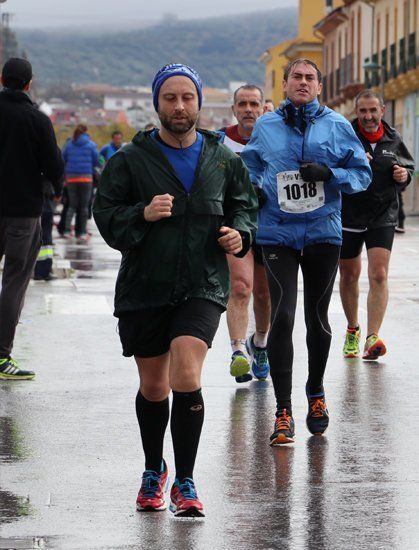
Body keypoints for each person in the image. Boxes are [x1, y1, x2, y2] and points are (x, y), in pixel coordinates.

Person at [94, 63, 258, 517]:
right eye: (170, 98)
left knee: (187, 371)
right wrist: (141, 215)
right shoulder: (129, 159)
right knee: (153, 386)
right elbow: (105, 215)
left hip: (201, 285)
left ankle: (185, 481)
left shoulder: (223, 160)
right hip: (145, 286)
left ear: (200, 102)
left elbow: (245, 208)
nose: (180, 106)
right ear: (157, 103)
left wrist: (239, 234)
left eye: (188, 97)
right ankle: (154, 469)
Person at [241, 59, 371, 443]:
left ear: (319, 86)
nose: (302, 82)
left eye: (309, 78)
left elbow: (362, 174)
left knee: (317, 319)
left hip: (321, 233)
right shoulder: (265, 127)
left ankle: (315, 391)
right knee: (282, 317)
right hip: (277, 232)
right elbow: (248, 170)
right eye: (296, 77)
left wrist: (331, 175)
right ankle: (283, 410)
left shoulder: (337, 125)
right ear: (284, 85)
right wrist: (252, 190)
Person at [0, 58, 64, 380]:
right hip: (23, 211)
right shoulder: (37, 120)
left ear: (1, 79)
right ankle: (1, 356)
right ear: (28, 83)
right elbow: (54, 165)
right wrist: (55, 189)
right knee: (14, 279)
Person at [339, 90, 414, 361]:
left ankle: (373, 335)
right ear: (356, 113)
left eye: (373, 111)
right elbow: (333, 168)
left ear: (382, 110)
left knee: (379, 274)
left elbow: (408, 170)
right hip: (349, 214)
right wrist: (353, 163)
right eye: (363, 111)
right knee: (348, 275)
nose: (368, 117)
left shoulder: (393, 139)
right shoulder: (345, 137)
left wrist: (404, 175)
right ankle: (352, 329)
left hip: (383, 214)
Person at [217, 84, 272, 383]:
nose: (248, 109)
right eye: (242, 104)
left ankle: (260, 343)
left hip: (269, 226)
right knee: (240, 287)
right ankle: (238, 351)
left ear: (263, 108)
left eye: (254, 104)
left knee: (264, 294)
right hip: (235, 225)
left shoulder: (275, 140)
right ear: (234, 108)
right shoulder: (219, 141)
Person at [60, 124, 100, 242]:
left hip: (71, 178)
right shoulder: (91, 145)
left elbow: (63, 158)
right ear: (86, 132)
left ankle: (67, 231)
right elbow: (97, 161)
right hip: (86, 179)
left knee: (71, 205)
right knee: (83, 207)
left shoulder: (69, 144)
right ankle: (81, 233)